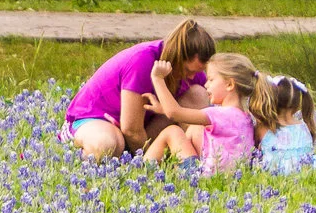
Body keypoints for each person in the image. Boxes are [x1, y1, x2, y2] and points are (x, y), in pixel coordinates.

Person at [62, 19, 216, 161]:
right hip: (98, 120)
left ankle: (189, 161)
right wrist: (150, 164)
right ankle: (77, 158)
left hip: (143, 130)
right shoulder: (142, 61)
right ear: (176, 57)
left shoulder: (192, 73)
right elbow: (131, 129)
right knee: (106, 146)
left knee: (198, 94)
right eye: (189, 71)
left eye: (198, 71)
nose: (193, 77)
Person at [141, 53, 259, 174]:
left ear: (230, 84)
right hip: (230, 179)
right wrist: (163, 109)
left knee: (172, 132)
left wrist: (158, 78)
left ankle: (143, 171)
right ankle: (169, 169)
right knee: (196, 128)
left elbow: (174, 113)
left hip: (200, 179)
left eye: (211, 80)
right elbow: (186, 117)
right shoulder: (246, 117)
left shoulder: (219, 114)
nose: (206, 84)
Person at [257, 74, 316, 173]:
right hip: (304, 176)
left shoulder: (264, 127)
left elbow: (252, 152)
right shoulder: (304, 127)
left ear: (271, 100)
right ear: (298, 105)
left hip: (272, 178)